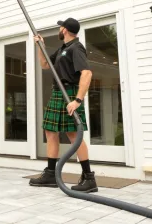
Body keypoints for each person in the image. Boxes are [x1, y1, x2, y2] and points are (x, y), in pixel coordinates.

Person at [29, 18, 97, 193]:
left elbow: (87, 73)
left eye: (61, 26)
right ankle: (51, 173)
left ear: (65, 29)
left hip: (70, 94)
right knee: (50, 131)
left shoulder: (76, 48)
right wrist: (40, 46)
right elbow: (45, 65)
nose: (59, 28)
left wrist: (78, 100)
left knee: (74, 135)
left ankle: (89, 178)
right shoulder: (63, 49)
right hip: (58, 93)